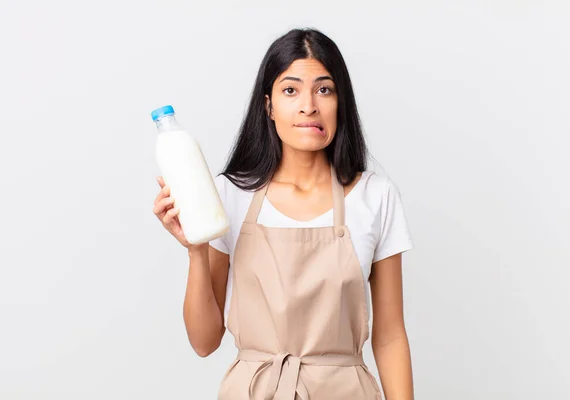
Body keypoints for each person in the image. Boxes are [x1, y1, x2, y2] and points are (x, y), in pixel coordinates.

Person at [153, 27, 415, 400]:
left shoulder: (375, 196)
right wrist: (195, 248)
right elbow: (204, 341)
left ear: (341, 102)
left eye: (324, 89)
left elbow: (389, 337)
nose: (308, 105)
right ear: (268, 106)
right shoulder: (229, 193)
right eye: (290, 90)